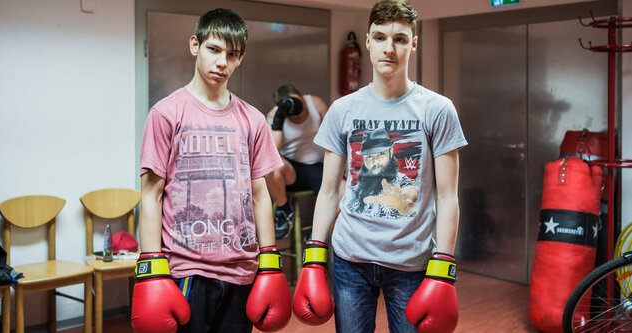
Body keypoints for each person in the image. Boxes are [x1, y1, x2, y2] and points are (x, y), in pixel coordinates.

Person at [292, 1, 468, 332]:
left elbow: (448, 197)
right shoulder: (342, 110)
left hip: (412, 263)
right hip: (350, 261)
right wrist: (314, 256)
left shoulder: (437, 110)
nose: (389, 48)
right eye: (380, 37)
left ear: (413, 44)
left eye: (400, 39)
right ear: (368, 41)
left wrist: (443, 266)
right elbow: (329, 190)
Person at [131, 8, 291, 333]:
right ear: (195, 45)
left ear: (240, 58)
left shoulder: (253, 120)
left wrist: (270, 262)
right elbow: (151, 195)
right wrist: (151, 269)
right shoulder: (166, 113)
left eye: (231, 55)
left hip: (242, 269)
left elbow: (261, 196)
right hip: (187, 269)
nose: (222, 63)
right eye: (214, 50)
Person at [265, 84, 328, 239]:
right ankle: (285, 212)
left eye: (299, 103)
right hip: (291, 170)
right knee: (270, 163)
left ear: (301, 96)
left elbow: (333, 134)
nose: (298, 113)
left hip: (318, 168)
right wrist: (280, 117)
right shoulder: (275, 115)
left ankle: (316, 238)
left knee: (345, 195)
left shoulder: (316, 104)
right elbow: (273, 151)